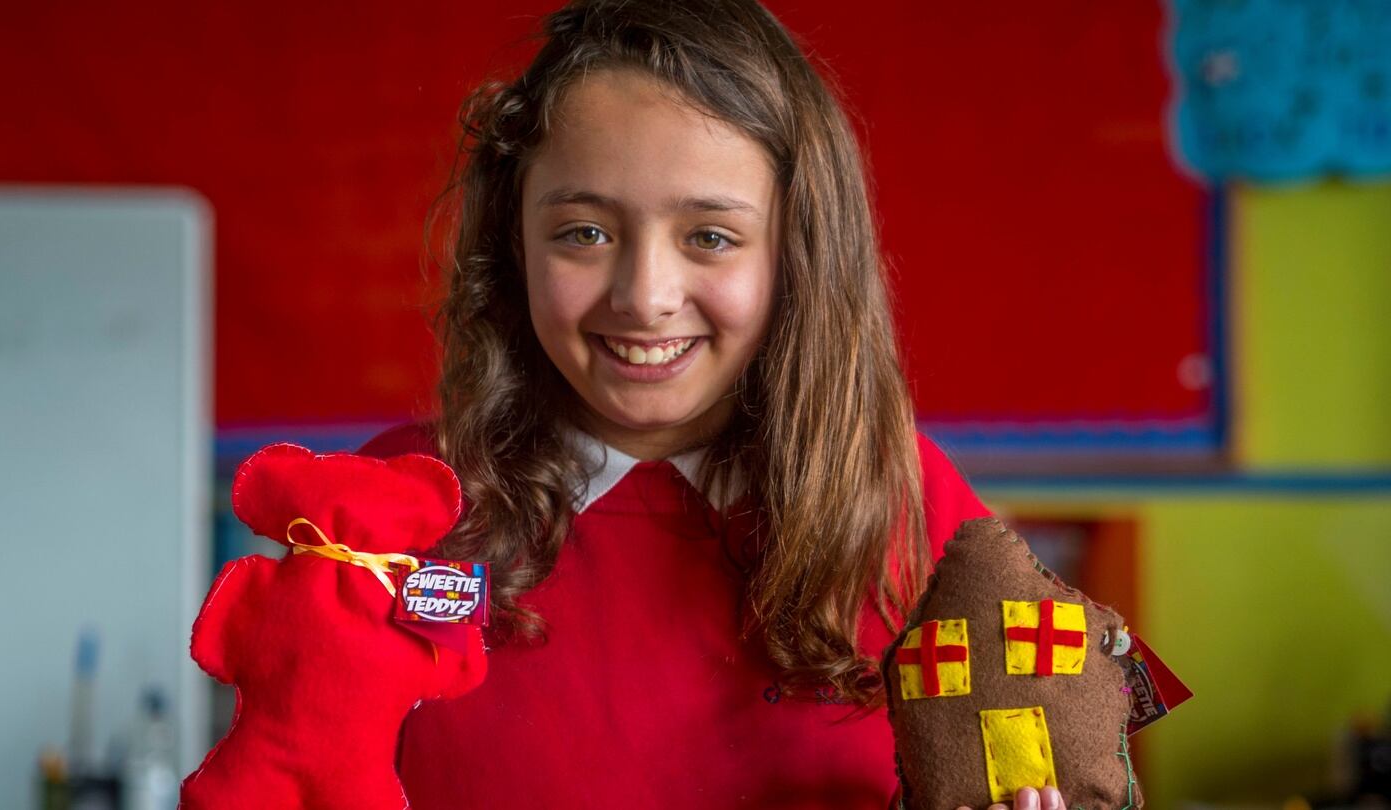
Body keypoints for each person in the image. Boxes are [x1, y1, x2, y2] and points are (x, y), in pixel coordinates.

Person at [360, 1, 1061, 808]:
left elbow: (1063, 751)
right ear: (512, 242)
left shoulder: (911, 507)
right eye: (584, 233)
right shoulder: (392, 506)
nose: (645, 297)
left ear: (797, 253)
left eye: (711, 237)